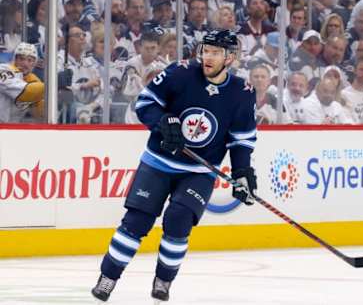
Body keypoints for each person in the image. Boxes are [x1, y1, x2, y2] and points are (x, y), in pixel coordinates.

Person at [91, 29, 258, 303]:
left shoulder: (242, 93)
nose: (208, 56)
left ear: (230, 58)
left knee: (178, 221)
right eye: (207, 50)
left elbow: (241, 139)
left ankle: (163, 281)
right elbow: (144, 104)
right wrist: (163, 121)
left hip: (199, 172)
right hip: (158, 162)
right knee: (137, 220)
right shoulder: (179, 72)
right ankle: (108, 277)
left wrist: (242, 171)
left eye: (216, 52)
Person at [0, 42, 44, 122]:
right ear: (15, 59)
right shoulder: (3, 70)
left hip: (13, 129)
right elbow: (25, 92)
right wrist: (54, 84)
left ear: (34, 63)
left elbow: (40, 115)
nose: (25, 64)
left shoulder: (34, 80)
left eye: (30, 60)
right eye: (21, 59)